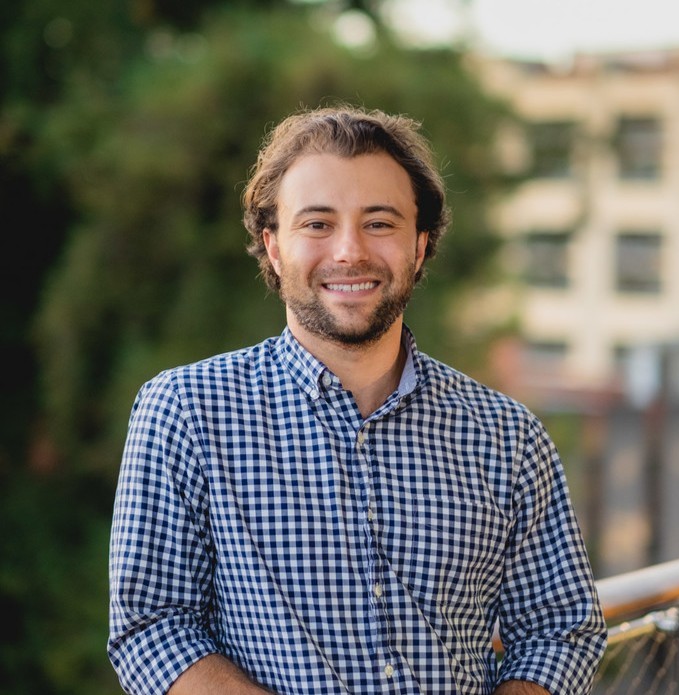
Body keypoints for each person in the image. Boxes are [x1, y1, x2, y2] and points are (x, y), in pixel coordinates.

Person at [108, 105, 607, 695]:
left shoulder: (508, 436)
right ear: (273, 246)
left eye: (380, 223)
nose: (349, 252)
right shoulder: (185, 411)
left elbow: (560, 629)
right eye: (317, 224)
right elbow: (151, 629)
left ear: (420, 246)